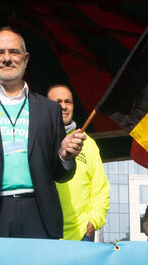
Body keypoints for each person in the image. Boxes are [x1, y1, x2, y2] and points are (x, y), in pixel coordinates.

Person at [0, 27, 85, 239]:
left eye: (14, 52)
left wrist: (65, 157)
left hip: (39, 215)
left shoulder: (49, 109)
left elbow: (60, 174)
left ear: (26, 58)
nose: (7, 58)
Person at [47, 84, 110, 241]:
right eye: (58, 102)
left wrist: (93, 222)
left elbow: (101, 189)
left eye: (68, 101)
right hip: (43, 234)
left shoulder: (88, 143)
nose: (63, 106)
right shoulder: (37, 139)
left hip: (81, 235)